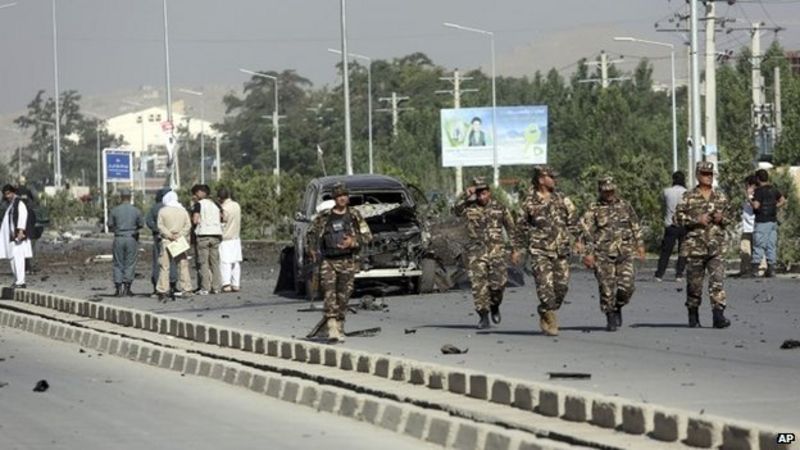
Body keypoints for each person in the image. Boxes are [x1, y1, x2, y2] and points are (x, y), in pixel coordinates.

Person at [515, 166, 579, 336]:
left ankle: (544, 310)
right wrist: (516, 249)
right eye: (551, 177)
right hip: (539, 251)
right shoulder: (529, 202)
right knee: (545, 289)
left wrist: (580, 242)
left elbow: (574, 222)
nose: (554, 180)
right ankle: (550, 319)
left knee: (561, 288)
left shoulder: (562, 199)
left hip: (560, 251)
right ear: (541, 179)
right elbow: (519, 228)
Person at [305, 182, 372, 343]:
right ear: (334, 198)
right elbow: (311, 233)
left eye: (344, 195)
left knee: (344, 296)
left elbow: (368, 236)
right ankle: (331, 326)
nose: (342, 198)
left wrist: (353, 241)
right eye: (339, 196)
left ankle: (340, 323)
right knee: (329, 294)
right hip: (329, 261)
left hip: (348, 260)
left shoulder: (354, 215)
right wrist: (312, 249)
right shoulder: (324, 217)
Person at [580, 177, 645, 331]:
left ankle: (618, 305)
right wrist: (588, 253)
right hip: (603, 254)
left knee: (626, 287)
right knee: (606, 288)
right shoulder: (593, 208)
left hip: (625, 251)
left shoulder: (625, 205)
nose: (609, 194)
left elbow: (635, 225)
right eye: (605, 191)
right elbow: (586, 233)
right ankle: (610, 315)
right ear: (600, 191)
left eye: (611, 191)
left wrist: (640, 244)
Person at [453, 177, 519, 329]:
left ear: (489, 192)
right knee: (479, 285)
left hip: (497, 252)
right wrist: (465, 194)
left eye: (484, 193)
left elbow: (511, 229)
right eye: (478, 193)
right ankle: (483, 315)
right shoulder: (468, 207)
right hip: (476, 252)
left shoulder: (499, 207)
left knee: (498, 284)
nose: (481, 196)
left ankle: (495, 305)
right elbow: (455, 211)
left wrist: (515, 249)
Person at [675, 161, 732, 329]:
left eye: (710, 174)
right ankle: (693, 312)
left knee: (717, 281)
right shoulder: (688, 197)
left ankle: (718, 315)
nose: (708, 177)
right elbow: (677, 218)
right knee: (695, 284)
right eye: (705, 174)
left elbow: (730, 218)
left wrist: (722, 219)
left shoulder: (720, 197)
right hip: (695, 247)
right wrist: (696, 220)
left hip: (716, 247)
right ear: (698, 175)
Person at [156, 191, 193, 300]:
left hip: (167, 240)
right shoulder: (183, 211)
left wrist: (169, 235)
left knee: (165, 266)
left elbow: (160, 226)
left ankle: (163, 289)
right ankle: (186, 288)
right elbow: (188, 225)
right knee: (183, 265)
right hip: (179, 241)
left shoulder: (163, 211)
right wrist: (179, 235)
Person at [750, 168, 786, 278]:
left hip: (762, 221)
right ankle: (771, 269)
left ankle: (755, 269)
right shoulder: (774, 190)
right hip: (773, 221)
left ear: (758, 179)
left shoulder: (759, 191)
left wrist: (749, 200)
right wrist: (774, 207)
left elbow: (756, 205)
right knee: (771, 245)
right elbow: (783, 200)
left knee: (759, 244)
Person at [108, 189, 143, 296]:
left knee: (118, 263)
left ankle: (118, 288)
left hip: (119, 237)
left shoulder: (114, 210)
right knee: (130, 263)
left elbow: (110, 225)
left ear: (121, 198)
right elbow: (141, 224)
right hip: (131, 238)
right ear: (130, 198)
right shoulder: (136, 211)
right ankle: (127, 287)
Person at [654, 171, 687, 282]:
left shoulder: (667, 191)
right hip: (684, 225)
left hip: (670, 225)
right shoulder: (687, 192)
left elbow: (663, 205)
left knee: (666, 251)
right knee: (683, 251)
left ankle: (659, 274)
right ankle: (679, 274)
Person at [191, 184, 223, 295]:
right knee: (215, 262)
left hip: (203, 235)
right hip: (216, 235)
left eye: (195, 193)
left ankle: (205, 287)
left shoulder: (198, 204)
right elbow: (223, 217)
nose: (194, 196)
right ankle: (217, 287)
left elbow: (195, 220)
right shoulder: (216, 204)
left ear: (200, 193)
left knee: (203, 263)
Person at [0, 184, 33, 288]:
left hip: (18, 236)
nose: (7, 196)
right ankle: (16, 280)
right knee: (12, 259)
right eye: (6, 194)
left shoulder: (19, 203)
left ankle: (21, 281)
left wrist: (20, 231)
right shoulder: (11, 204)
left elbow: (22, 216)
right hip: (12, 237)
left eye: (9, 193)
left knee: (18, 258)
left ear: (13, 192)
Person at [146, 188, 177, 295]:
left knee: (158, 262)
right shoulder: (176, 207)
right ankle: (173, 285)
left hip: (159, 238)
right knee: (173, 261)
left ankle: (157, 286)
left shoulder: (155, 208)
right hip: (174, 237)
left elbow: (149, 221)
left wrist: (157, 230)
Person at [218, 187, 242, 292]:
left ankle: (226, 284)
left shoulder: (224, 208)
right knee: (235, 262)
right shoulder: (236, 205)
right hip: (236, 237)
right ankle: (236, 284)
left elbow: (223, 221)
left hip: (225, 238)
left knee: (225, 262)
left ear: (220, 198)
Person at [738, 175, 758, 277]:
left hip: (753, 226)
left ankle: (759, 269)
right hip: (746, 227)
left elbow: (755, 206)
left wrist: (748, 195)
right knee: (745, 249)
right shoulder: (749, 196)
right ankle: (745, 269)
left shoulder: (755, 195)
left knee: (755, 249)